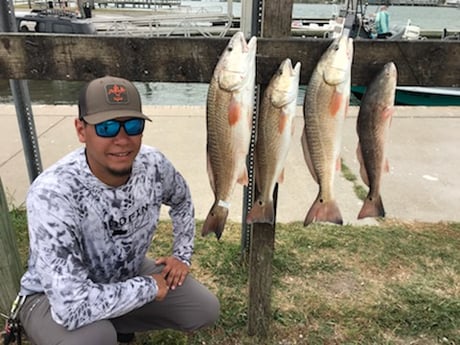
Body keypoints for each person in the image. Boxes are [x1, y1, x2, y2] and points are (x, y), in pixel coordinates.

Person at [17, 76, 220, 345]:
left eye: (132, 125)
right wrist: (147, 288)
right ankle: (92, 328)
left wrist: (181, 255)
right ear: (81, 130)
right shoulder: (53, 193)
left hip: (125, 274)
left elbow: (181, 201)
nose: (122, 139)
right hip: (50, 299)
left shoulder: (153, 164)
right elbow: (71, 307)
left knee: (203, 309)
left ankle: (114, 318)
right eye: (107, 127)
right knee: (94, 338)